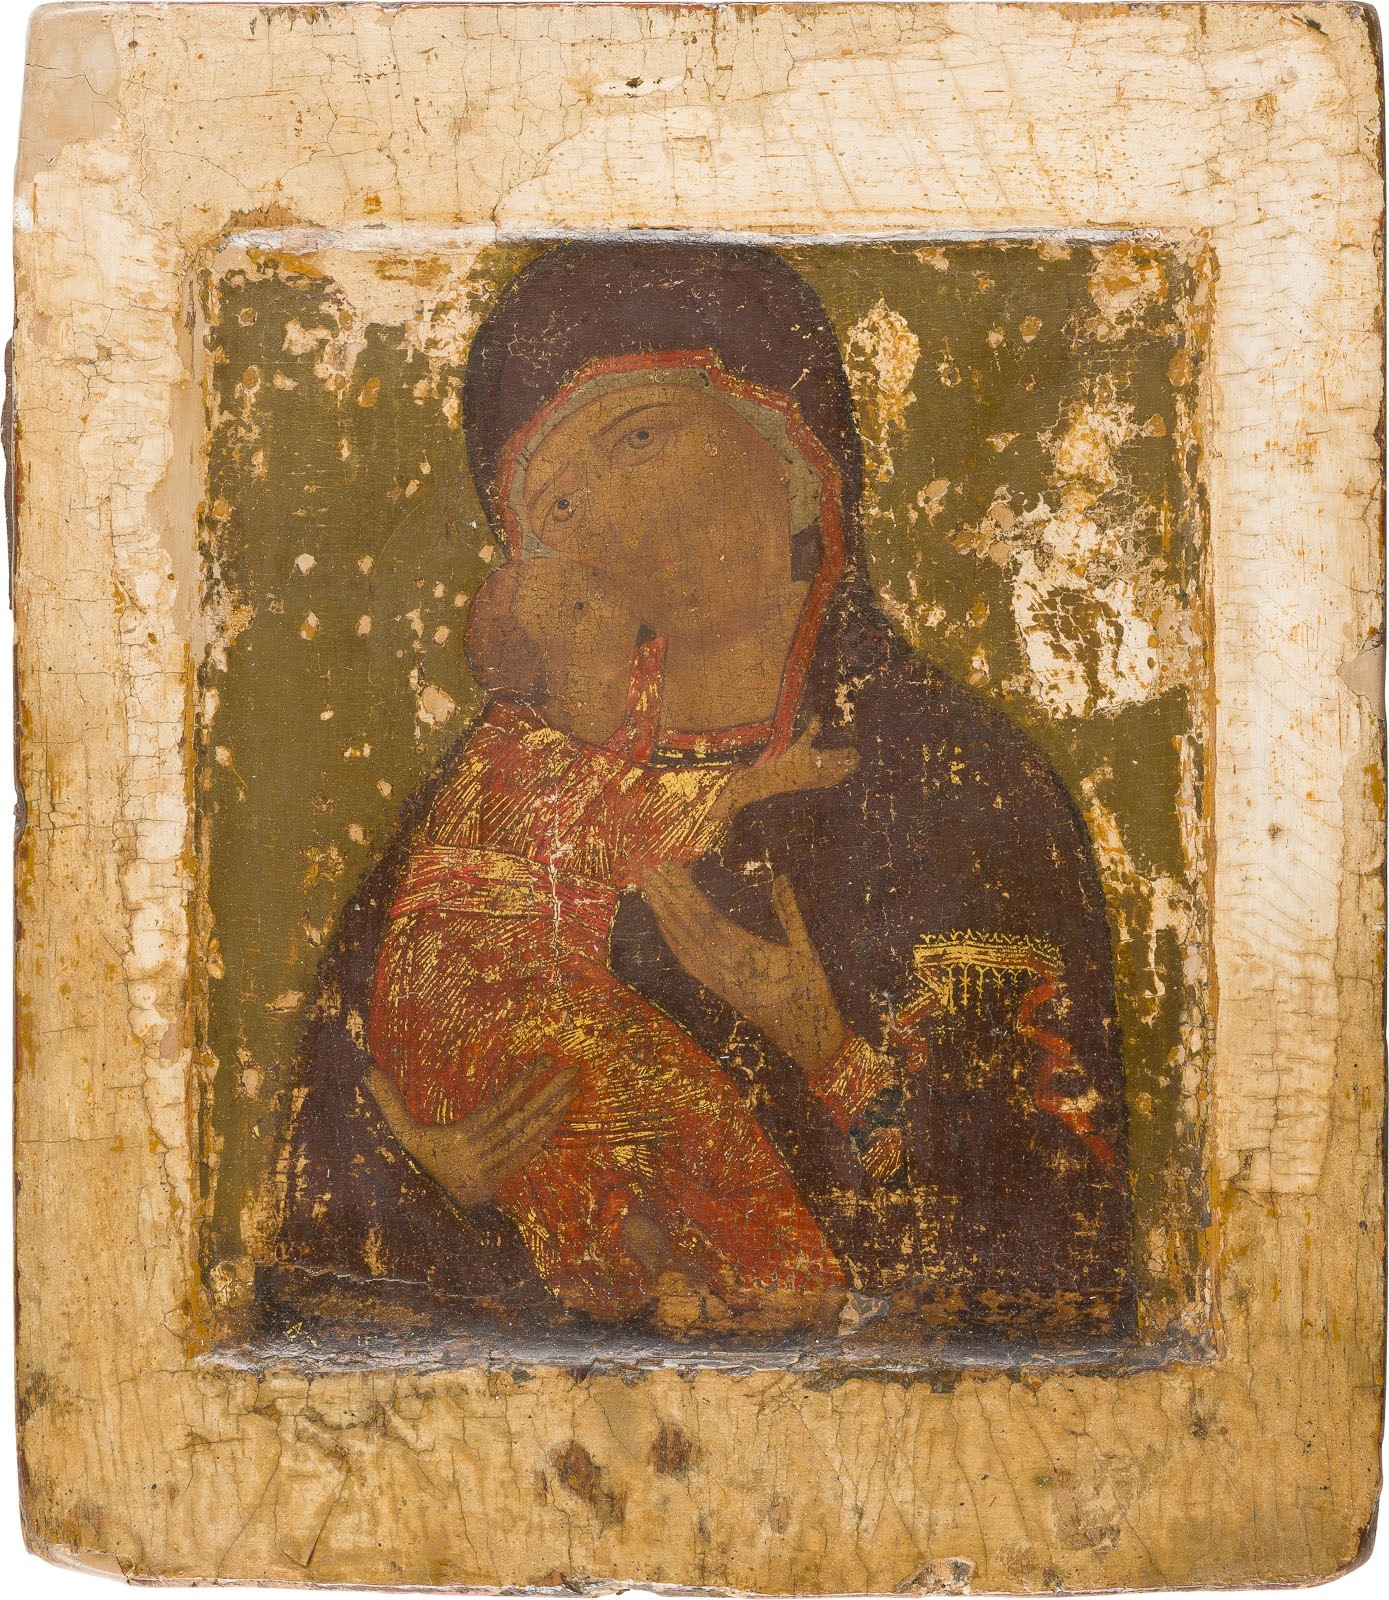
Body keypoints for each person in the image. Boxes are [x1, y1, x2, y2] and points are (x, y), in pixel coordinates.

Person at [272, 241, 1135, 1347]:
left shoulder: (958, 786)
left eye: (641, 438)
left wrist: (825, 1048)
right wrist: (436, 1169)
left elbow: (1051, 1241)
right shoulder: (493, 802)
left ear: (790, 452)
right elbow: (323, 1227)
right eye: (562, 503)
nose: (613, 520)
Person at [366, 554, 850, 1328]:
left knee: (599, 1152)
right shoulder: (522, 754)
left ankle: (659, 1276)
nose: (612, 601)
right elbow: (633, 812)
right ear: (548, 677)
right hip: (496, 995)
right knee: (692, 1112)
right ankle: (778, 1279)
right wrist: (766, 779)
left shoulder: (583, 726)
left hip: (490, 1008)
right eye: (582, 611)